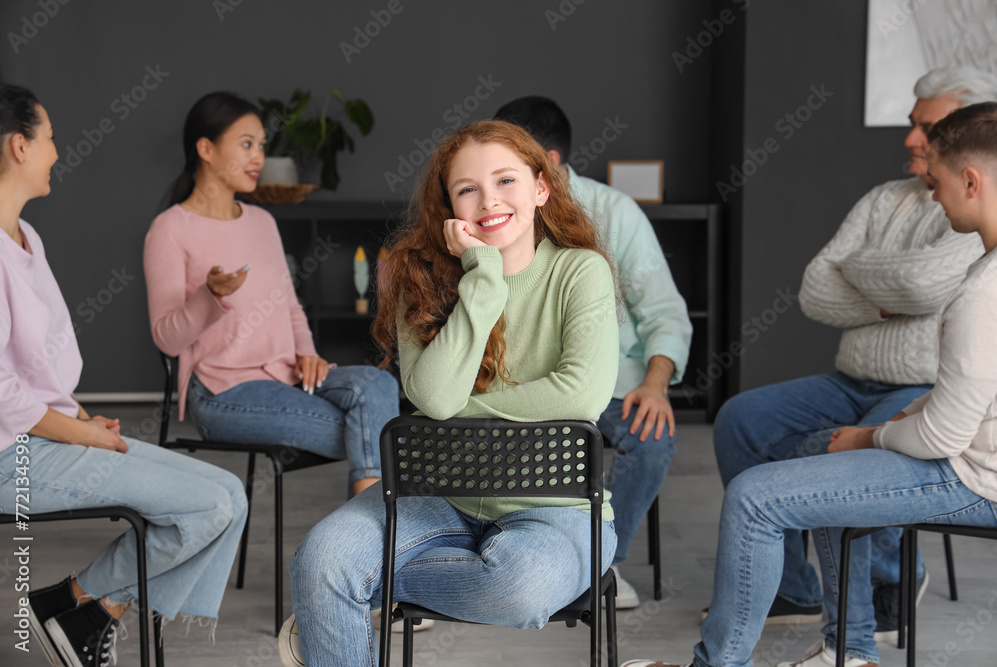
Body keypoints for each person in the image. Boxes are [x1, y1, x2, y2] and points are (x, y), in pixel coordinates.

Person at [622, 100, 997, 667]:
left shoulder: (983, 291)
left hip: (976, 479)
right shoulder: (984, 271)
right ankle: (849, 651)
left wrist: (868, 438)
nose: (932, 191)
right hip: (974, 457)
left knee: (754, 499)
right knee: (810, 454)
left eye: (939, 181)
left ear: (971, 180)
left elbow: (946, 440)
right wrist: (908, 415)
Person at [277, 119, 620, 666]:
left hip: (554, 510)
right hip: (442, 495)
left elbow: (579, 397)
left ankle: (339, 604)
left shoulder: (581, 272)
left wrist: (466, 410)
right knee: (323, 558)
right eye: (468, 189)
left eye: (505, 180)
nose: (489, 201)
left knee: (519, 587)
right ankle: (332, 600)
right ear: (449, 208)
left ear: (541, 187)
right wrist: (482, 279)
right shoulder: (423, 277)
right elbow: (435, 401)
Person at [709, 66, 997, 636]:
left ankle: (866, 618)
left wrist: (859, 272)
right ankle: (801, 597)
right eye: (914, 125)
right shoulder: (892, 201)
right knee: (742, 419)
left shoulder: (979, 278)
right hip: (866, 383)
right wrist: (888, 292)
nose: (915, 141)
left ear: (969, 170)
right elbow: (816, 286)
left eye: (931, 129)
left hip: (956, 443)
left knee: (828, 463)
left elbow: (921, 287)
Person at [0, 83, 247, 667]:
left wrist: (82, 415)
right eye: (51, 138)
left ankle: (80, 606)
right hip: (11, 454)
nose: (58, 152)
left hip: (44, 432)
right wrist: (85, 436)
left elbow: (32, 368)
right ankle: (79, 609)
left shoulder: (26, 237)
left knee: (231, 495)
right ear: (18, 146)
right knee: (209, 508)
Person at [144, 92, 399, 497]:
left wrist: (308, 354)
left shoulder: (261, 221)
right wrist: (208, 297)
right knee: (380, 431)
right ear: (206, 148)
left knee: (379, 387)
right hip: (223, 393)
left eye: (261, 145)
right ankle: (380, 534)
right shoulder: (170, 229)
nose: (258, 157)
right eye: (246, 144)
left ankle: (372, 533)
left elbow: (290, 307)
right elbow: (166, 338)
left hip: (287, 376)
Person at [494, 97, 692, 608]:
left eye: (509, 166)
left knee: (651, 441)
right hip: (523, 384)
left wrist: (655, 384)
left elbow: (664, 311)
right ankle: (528, 559)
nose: (495, 183)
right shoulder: (491, 212)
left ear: (550, 166)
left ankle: (600, 564)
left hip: (612, 385)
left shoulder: (613, 212)